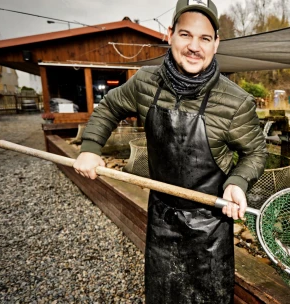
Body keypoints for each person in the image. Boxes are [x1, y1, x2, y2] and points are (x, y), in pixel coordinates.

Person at [73, 0, 268, 303]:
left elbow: (256, 153)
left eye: (205, 38)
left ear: (216, 43)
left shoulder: (235, 102)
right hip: (161, 217)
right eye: (186, 35)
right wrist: (91, 147)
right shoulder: (145, 82)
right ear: (170, 34)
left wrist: (237, 183)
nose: (194, 46)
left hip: (210, 225)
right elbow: (109, 106)